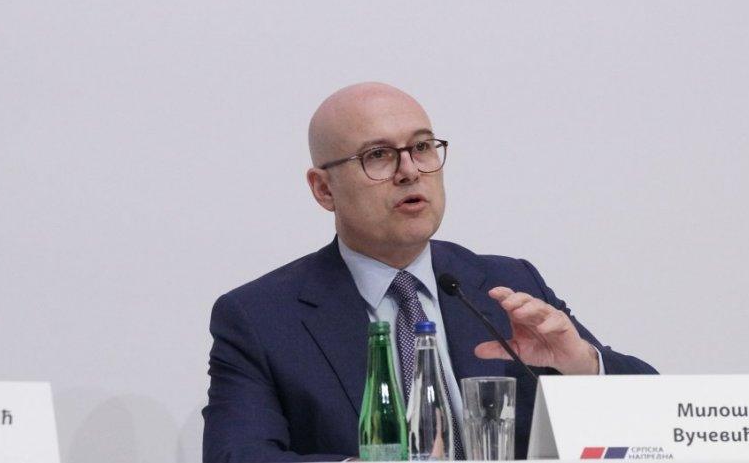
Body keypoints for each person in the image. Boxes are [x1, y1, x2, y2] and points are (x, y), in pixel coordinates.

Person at [202, 82, 656, 463]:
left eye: (421, 147)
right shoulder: (260, 318)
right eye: (378, 155)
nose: (409, 171)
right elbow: (235, 455)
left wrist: (582, 365)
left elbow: (659, 421)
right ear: (324, 189)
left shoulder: (508, 284)